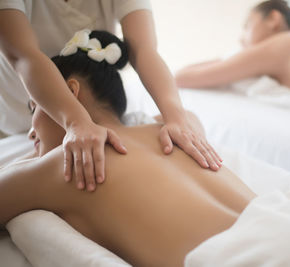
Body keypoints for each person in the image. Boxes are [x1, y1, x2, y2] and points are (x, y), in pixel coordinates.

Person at [1, 30, 290, 267]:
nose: (31, 134)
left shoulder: (63, 167)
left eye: (35, 109)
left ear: (70, 92)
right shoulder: (174, 132)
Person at [0, 0, 222, 193]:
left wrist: (177, 118)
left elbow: (144, 49)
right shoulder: (42, 150)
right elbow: (22, 55)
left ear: (73, 91)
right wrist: (76, 121)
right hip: (26, 112)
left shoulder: (140, 127)